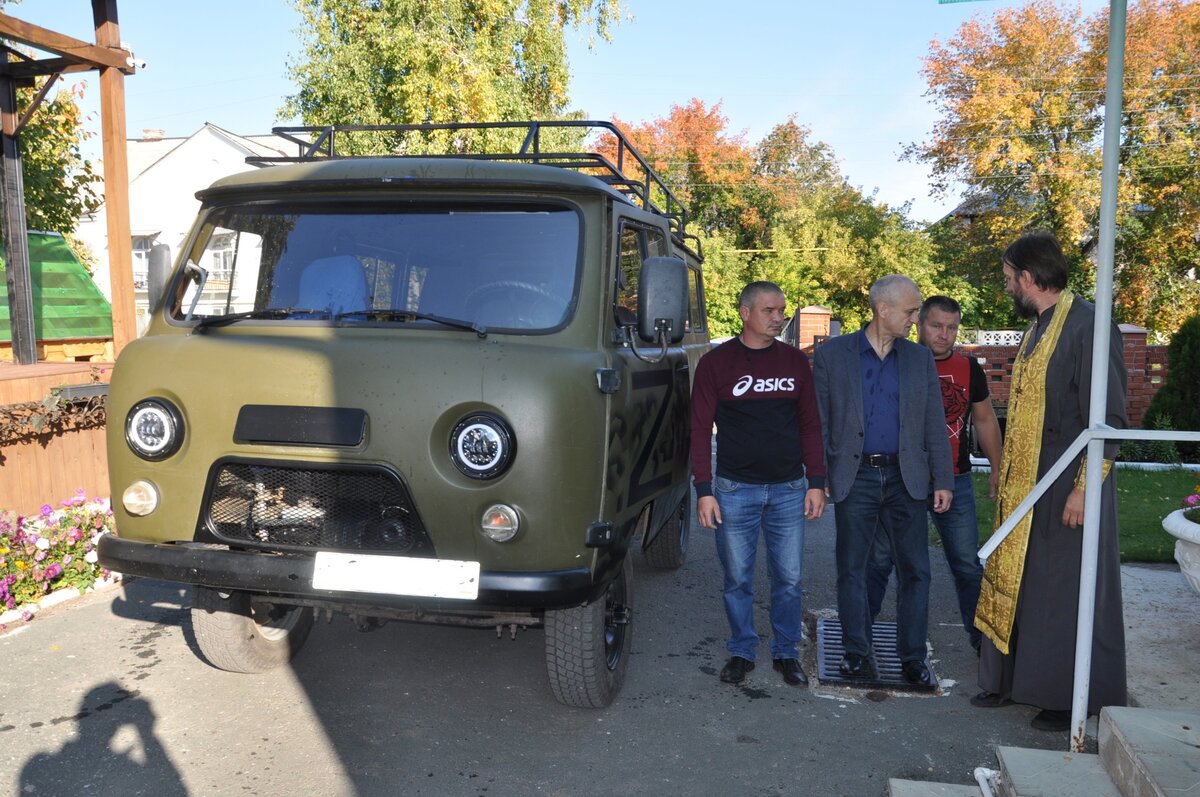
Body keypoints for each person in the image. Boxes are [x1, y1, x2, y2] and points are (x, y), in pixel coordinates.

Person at [972, 231, 1127, 732]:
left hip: (1067, 483)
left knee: (1063, 587)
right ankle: (1012, 681)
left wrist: (1085, 487)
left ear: (1029, 277)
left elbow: (1108, 419)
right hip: (1028, 482)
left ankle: (1068, 696)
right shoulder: (1038, 326)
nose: (1005, 288)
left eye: (1007, 278)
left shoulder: (1090, 326)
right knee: (1026, 580)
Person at [813, 274, 953, 686]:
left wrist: (941, 479)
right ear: (883, 310)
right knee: (853, 568)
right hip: (854, 476)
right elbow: (819, 422)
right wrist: (818, 478)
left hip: (905, 477)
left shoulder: (918, 358)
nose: (916, 319)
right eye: (911, 311)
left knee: (916, 571)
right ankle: (856, 652)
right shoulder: (833, 356)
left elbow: (933, 422)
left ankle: (911, 658)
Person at [690, 281, 827, 687]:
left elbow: (810, 424)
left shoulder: (795, 362)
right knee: (738, 579)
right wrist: (704, 490)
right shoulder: (717, 364)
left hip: (788, 489)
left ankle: (786, 652)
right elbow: (699, 430)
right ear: (745, 312)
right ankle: (742, 650)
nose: (778, 318)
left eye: (782, 310)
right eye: (769, 310)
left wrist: (816, 481)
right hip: (734, 490)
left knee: (789, 579)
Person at [867, 295, 1003, 652]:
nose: (944, 334)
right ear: (919, 325)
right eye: (936, 325)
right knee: (880, 560)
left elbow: (985, 419)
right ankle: (859, 634)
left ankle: (982, 645)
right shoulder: (895, 360)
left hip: (954, 480)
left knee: (966, 564)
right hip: (900, 482)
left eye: (952, 327)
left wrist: (997, 467)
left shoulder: (968, 368)